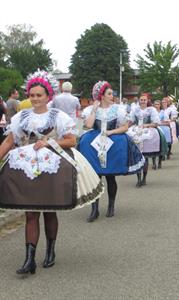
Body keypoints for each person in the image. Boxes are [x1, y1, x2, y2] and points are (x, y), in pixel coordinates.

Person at [0, 70, 104, 275]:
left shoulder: (58, 116)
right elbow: (10, 141)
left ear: (48, 96)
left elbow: (71, 140)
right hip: (26, 168)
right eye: (32, 95)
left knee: (49, 211)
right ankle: (29, 259)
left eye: (39, 95)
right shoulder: (21, 116)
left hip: (51, 165)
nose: (35, 98)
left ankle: (50, 251)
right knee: (30, 213)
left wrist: (48, 143)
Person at [79, 81, 144, 222]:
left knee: (110, 177)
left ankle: (111, 205)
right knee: (95, 177)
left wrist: (111, 132)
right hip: (94, 144)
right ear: (101, 96)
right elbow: (88, 126)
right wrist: (94, 110)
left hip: (112, 143)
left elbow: (125, 127)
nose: (112, 96)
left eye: (112, 93)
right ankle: (94, 209)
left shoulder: (118, 109)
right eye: (109, 93)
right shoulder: (90, 109)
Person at [129, 93, 161, 186]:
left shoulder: (151, 110)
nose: (143, 101)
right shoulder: (135, 110)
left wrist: (145, 125)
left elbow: (155, 123)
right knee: (137, 157)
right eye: (141, 100)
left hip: (147, 131)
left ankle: (144, 178)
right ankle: (138, 179)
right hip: (136, 130)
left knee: (145, 158)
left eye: (144, 100)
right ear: (139, 101)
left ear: (147, 101)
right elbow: (130, 121)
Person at [154, 99, 172, 167]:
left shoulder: (163, 112)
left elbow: (167, 122)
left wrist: (159, 123)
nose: (156, 106)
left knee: (161, 142)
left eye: (158, 104)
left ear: (160, 105)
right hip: (153, 128)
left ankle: (160, 159)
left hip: (161, 127)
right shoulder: (152, 112)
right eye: (155, 104)